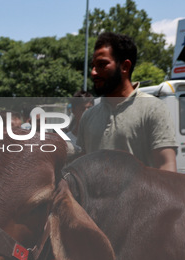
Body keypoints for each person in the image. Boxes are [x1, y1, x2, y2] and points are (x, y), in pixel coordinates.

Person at [77, 32, 177, 171]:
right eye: (93, 65)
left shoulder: (153, 109)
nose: (94, 72)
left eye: (102, 64)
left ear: (125, 66)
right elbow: (81, 168)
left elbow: (166, 168)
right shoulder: (88, 117)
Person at [66, 90, 94, 160]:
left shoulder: (99, 137)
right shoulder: (66, 141)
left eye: (90, 108)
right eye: (82, 109)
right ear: (73, 110)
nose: (87, 112)